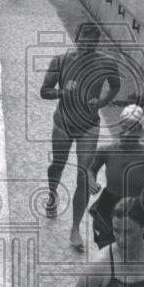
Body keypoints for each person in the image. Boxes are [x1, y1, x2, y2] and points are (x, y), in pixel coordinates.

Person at [40, 25, 120, 250]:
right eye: (84, 40)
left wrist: (103, 101)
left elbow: (115, 85)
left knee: (84, 176)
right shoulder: (60, 61)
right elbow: (44, 90)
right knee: (58, 165)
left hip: (89, 126)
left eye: (92, 42)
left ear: (97, 43)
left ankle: (75, 228)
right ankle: (52, 193)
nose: (88, 45)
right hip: (63, 123)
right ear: (76, 38)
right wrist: (63, 92)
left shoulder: (106, 63)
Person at [87, 104, 144, 247]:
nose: (127, 133)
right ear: (119, 127)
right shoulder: (107, 150)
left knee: (132, 247)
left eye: (133, 129)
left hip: (135, 206)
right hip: (109, 204)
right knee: (107, 245)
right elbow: (91, 169)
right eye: (124, 127)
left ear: (140, 131)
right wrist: (91, 182)